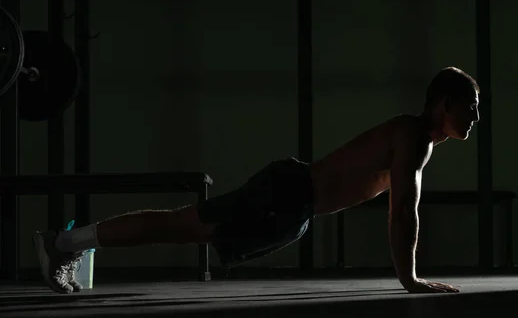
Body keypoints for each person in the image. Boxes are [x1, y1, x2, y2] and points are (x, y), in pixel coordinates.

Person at [34, 66, 479, 295]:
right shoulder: (415, 138)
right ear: (444, 104)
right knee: (182, 225)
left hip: (293, 201)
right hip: (289, 195)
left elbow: (398, 207)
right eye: (470, 107)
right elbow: (402, 211)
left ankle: (69, 244)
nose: (475, 117)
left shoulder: (416, 137)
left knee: (183, 226)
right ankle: (65, 244)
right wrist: (411, 280)